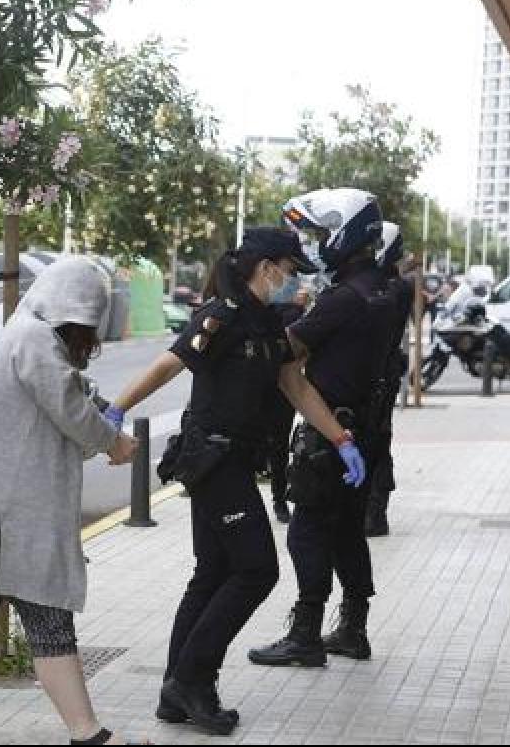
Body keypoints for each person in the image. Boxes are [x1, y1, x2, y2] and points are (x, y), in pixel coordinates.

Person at [107, 228, 367, 736]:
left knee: (212, 573)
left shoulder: (270, 321)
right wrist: (117, 408)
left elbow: (295, 384)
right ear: (266, 266)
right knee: (256, 570)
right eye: (289, 270)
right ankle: (194, 679)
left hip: (237, 458)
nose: (293, 281)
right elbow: (170, 363)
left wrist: (340, 438)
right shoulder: (222, 315)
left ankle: (174, 691)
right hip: (213, 458)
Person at [0, 258, 139, 747]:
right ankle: (87, 734)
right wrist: (112, 441)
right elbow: (68, 407)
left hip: (4, 509)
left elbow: (65, 396)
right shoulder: (33, 338)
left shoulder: (26, 331)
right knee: (47, 610)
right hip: (7, 514)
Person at [250, 188, 395, 670]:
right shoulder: (385, 289)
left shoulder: (342, 300)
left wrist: (259, 318)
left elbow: (286, 350)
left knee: (307, 532)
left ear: (343, 232)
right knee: (348, 531)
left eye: (319, 233)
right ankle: (354, 628)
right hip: (367, 432)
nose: (313, 245)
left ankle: (306, 633)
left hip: (331, 432)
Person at [364, 223, 415, 538]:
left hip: (382, 374)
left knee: (377, 440)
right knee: (374, 439)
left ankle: (374, 511)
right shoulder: (391, 285)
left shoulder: (394, 288)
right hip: (381, 371)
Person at [263, 285, 310, 525]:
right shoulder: (296, 314)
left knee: (272, 444)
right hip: (282, 390)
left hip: (262, 387)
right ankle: (279, 499)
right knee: (279, 445)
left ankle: (278, 498)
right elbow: (303, 353)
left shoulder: (259, 312)